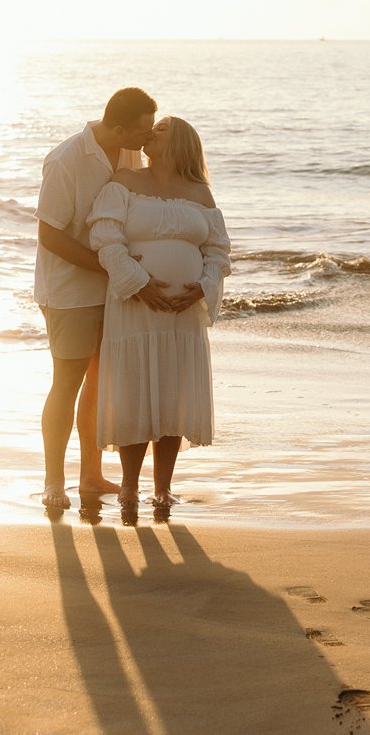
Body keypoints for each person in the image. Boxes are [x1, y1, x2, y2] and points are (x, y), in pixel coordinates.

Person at [87, 116, 230, 516]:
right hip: (136, 308)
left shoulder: (200, 192)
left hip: (183, 315)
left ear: (181, 141)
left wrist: (202, 287)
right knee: (135, 394)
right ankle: (129, 487)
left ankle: (163, 488)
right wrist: (137, 282)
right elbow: (105, 236)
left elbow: (219, 251)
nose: (151, 131)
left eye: (162, 128)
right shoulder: (125, 180)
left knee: (173, 397)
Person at [34, 86, 160, 512]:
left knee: (100, 384)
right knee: (66, 384)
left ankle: (90, 473)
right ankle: (54, 481)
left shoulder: (128, 152)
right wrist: (104, 265)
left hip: (112, 288)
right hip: (69, 291)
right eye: (143, 132)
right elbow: (48, 233)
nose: (148, 139)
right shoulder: (67, 159)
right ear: (119, 127)